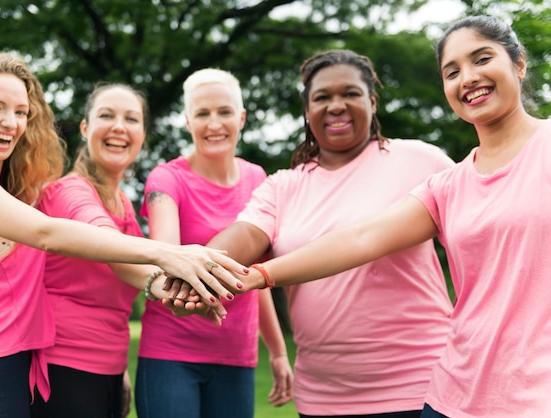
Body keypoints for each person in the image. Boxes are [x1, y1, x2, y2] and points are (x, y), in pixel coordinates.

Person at [236, 16, 551, 418]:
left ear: (518, 63)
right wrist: (259, 275)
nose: (467, 78)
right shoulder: (447, 185)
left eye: (482, 59)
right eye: (452, 72)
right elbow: (360, 239)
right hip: (451, 400)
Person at [0, 51, 246, 418]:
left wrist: (169, 290)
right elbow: (48, 232)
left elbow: (107, 274)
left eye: (20, 111)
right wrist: (168, 254)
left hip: (7, 371)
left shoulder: (13, 198)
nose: (10, 122)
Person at [201, 49, 455, 418]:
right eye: (322, 97)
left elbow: (476, 241)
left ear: (371, 100)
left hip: (423, 386)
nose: (336, 105)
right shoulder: (283, 186)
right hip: (323, 398)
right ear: (307, 110)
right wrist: (197, 269)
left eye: (350, 93)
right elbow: (244, 235)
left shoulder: (421, 160)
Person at [30, 83, 202, 418]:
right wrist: (172, 277)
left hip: (108, 368)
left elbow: (113, 300)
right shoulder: (68, 192)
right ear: (85, 127)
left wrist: (119, 368)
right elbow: (109, 245)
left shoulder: (124, 204)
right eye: (106, 116)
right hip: (63, 367)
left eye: (131, 119)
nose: (119, 127)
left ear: (143, 134)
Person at [135, 68, 293, 418]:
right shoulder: (166, 179)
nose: (214, 124)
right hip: (170, 353)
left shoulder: (257, 178)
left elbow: (255, 275)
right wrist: (189, 300)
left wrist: (278, 352)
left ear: (242, 118)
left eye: (224, 112)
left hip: (236, 354)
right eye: (202, 114)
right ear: (188, 122)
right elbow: (168, 259)